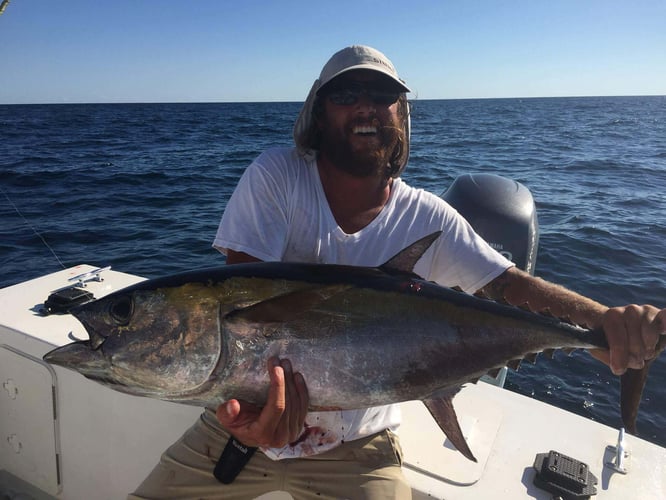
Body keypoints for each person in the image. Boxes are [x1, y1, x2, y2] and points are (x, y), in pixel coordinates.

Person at [131, 45, 665, 499]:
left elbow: (509, 286)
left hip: (360, 442)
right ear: (318, 114)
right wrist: (249, 413)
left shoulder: (428, 217)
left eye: (382, 94)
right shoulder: (277, 177)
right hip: (238, 429)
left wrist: (604, 329)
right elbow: (245, 303)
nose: (365, 105)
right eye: (345, 93)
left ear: (401, 115)